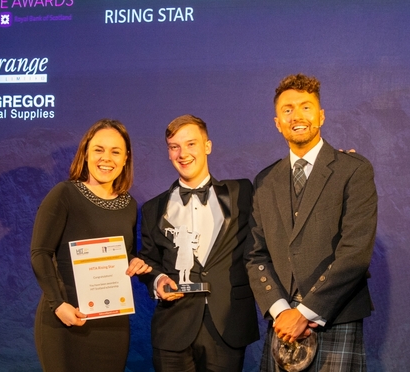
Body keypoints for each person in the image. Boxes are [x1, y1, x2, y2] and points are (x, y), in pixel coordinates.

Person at [245, 74, 377, 371]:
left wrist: (304, 313)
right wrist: (282, 312)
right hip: (283, 324)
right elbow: (256, 255)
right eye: (287, 110)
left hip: (334, 316)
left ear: (321, 115)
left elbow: (355, 253)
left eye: (306, 107)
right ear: (277, 122)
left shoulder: (353, 170)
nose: (297, 116)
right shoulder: (265, 181)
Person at [138, 114, 259, 372]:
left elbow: (282, 193)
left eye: (191, 144)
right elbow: (148, 261)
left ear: (207, 146)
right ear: (169, 153)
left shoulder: (242, 192)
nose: (183, 153)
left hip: (227, 324)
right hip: (172, 328)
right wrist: (158, 281)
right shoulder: (152, 209)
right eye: (175, 147)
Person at [30, 119, 151, 372]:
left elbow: (123, 253)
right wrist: (58, 305)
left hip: (112, 323)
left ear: (126, 158)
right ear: (85, 153)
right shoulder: (64, 194)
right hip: (65, 318)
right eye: (98, 149)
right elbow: (40, 253)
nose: (106, 158)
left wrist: (135, 262)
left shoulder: (128, 205)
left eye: (115, 151)